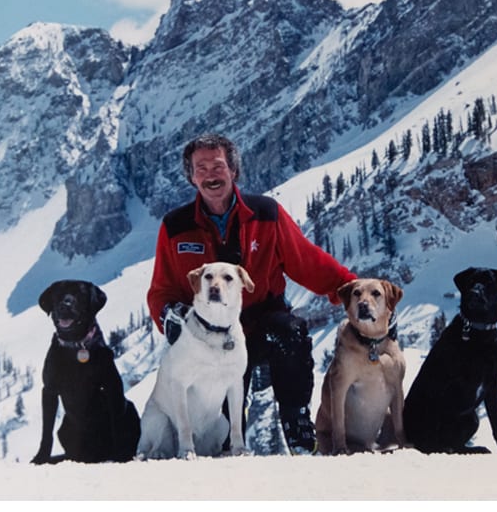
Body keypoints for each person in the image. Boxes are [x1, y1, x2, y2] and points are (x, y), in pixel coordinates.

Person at [147, 133, 356, 454]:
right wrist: (168, 317)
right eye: (200, 168)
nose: (210, 175)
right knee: (226, 435)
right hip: (209, 338)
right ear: (191, 177)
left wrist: (351, 290)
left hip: (263, 323)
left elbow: (307, 260)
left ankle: (297, 425)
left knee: (291, 332)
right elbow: (162, 289)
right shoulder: (175, 227)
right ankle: (227, 451)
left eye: (217, 166)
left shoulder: (266, 214)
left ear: (233, 170)